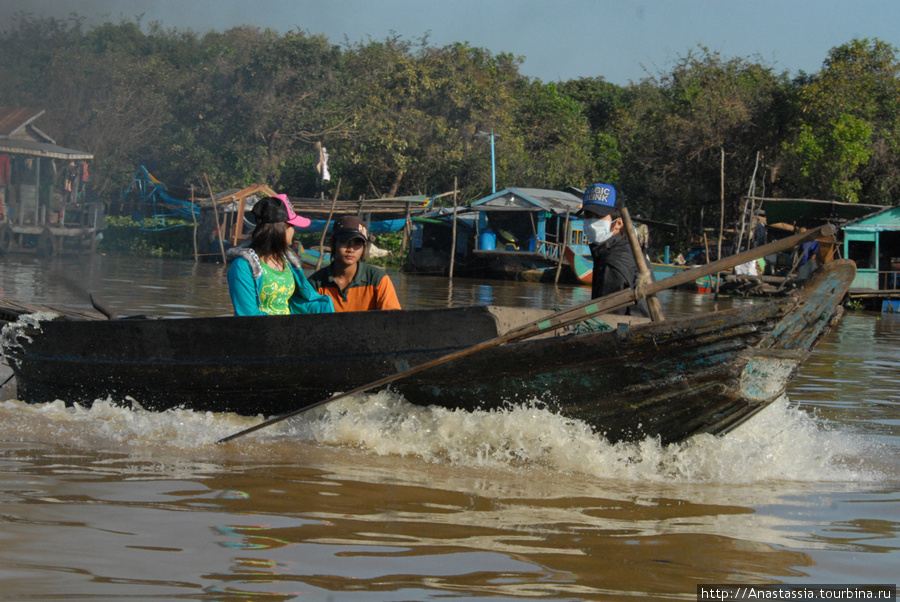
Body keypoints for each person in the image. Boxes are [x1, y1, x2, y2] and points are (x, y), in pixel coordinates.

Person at [227, 194, 334, 316]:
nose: (293, 230)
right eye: (291, 226)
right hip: (262, 331)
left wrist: (323, 308)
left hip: (288, 330)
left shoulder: (288, 262)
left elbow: (298, 302)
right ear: (279, 228)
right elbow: (247, 314)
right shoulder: (243, 266)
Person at [576, 183, 650, 318]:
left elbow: (607, 319)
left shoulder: (613, 263)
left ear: (619, 222)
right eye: (588, 215)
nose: (592, 222)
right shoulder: (625, 249)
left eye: (599, 216)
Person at [309, 216, 402, 312]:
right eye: (345, 242)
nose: (351, 249)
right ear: (333, 244)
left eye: (357, 244)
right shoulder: (315, 283)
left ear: (363, 247)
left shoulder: (378, 279)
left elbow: (393, 319)